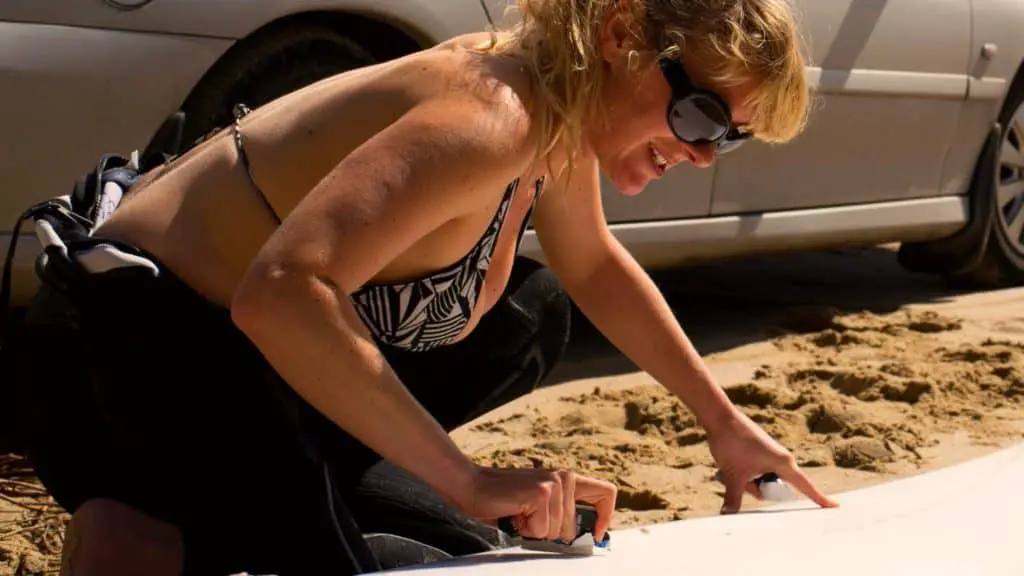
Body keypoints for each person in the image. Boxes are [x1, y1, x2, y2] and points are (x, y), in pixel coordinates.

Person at [11, 0, 838, 574]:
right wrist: (464, 477)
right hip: (122, 350)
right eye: (697, 116)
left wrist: (725, 425)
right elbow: (283, 291)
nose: (700, 153)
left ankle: (212, 520)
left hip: (247, 365)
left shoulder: (561, 122)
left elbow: (592, 266)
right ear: (622, 34)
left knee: (479, 537)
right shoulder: (492, 115)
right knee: (385, 564)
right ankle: (142, 538)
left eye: (728, 141)